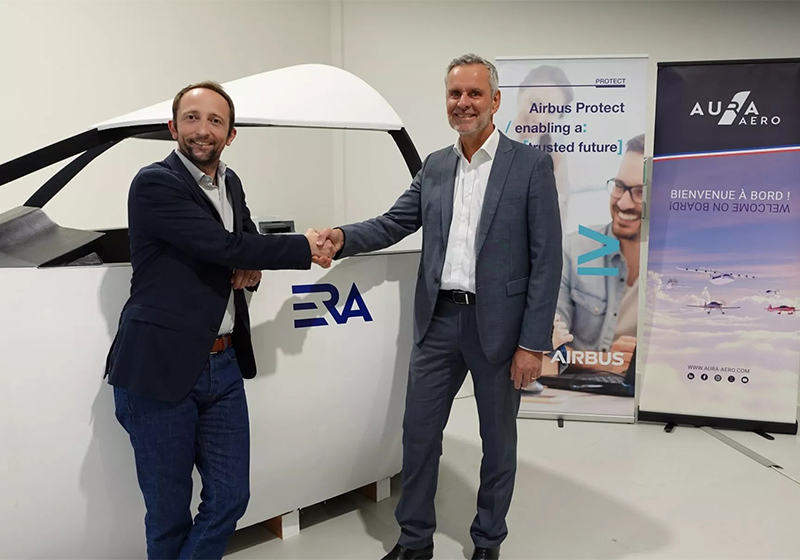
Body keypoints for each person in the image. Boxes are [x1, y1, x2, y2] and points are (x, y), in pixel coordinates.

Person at [316, 54, 562, 560]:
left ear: (495, 100)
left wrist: (532, 344)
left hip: (500, 329)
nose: (463, 103)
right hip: (439, 321)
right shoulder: (435, 166)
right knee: (419, 435)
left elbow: (546, 260)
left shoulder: (530, 165)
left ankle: (488, 540)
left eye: (474, 93)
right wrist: (341, 237)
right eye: (455, 94)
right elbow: (393, 223)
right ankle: (414, 540)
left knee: (498, 442)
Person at [104, 81, 334, 559]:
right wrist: (302, 247)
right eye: (191, 118)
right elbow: (223, 246)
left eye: (215, 120)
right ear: (173, 127)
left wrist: (251, 269)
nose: (202, 129)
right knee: (168, 515)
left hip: (223, 365)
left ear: (230, 134)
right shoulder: (155, 183)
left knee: (231, 498)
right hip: (159, 368)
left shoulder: (231, 183)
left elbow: (243, 244)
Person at [551, 134, 645, 375]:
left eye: (639, 192)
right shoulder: (573, 250)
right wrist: (605, 361)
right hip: (577, 391)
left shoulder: (677, 267)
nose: (623, 203)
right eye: (620, 186)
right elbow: (546, 346)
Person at [511, 65, 574, 221]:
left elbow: (558, 221)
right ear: (519, 94)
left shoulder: (556, 159)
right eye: (535, 104)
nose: (539, 118)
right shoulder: (493, 138)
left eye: (551, 111)